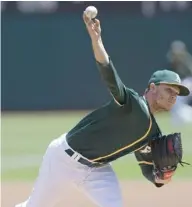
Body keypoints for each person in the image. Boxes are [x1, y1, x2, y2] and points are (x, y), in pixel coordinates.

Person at [15, 13, 190, 207]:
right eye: (169, 89)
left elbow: (149, 171)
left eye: (176, 93)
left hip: (97, 170)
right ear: (152, 88)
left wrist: (163, 177)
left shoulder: (152, 134)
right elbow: (109, 73)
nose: (174, 95)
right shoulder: (133, 103)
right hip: (63, 160)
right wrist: (96, 40)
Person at [166, 40, 192, 125]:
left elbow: (189, 74)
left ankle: (183, 117)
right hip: (179, 82)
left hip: (187, 81)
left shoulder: (186, 60)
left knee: (179, 98)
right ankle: (179, 117)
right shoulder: (171, 60)